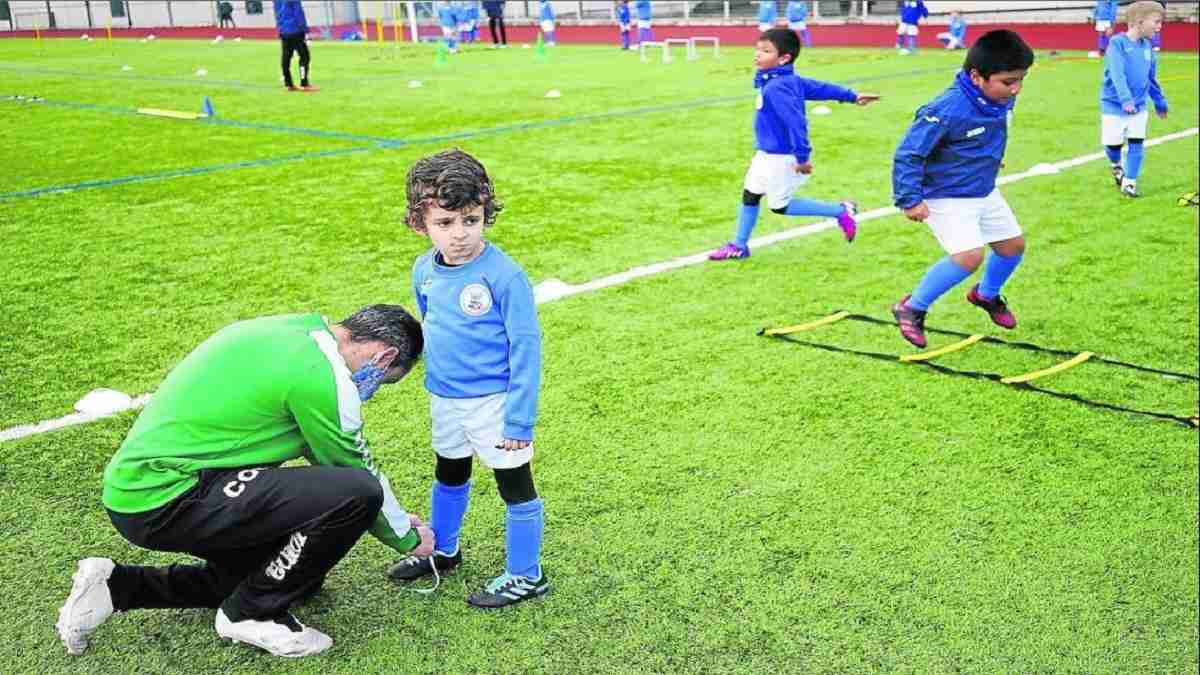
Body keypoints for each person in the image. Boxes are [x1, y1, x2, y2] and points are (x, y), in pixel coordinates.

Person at [55, 306, 436, 658]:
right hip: (170, 497)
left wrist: (397, 518)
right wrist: (406, 536)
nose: (370, 390)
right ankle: (252, 616)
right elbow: (353, 466)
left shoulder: (287, 329)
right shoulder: (324, 376)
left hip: (140, 492)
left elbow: (319, 454)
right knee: (358, 491)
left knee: (291, 577)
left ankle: (117, 586)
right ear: (384, 356)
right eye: (384, 381)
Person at [389, 150, 549, 609]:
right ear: (420, 222)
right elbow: (433, 324)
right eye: (445, 223)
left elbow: (526, 347)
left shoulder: (505, 276)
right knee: (450, 471)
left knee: (514, 485)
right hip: (445, 398)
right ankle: (444, 549)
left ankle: (527, 573)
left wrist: (519, 420)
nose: (459, 234)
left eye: (471, 220)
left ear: (486, 214)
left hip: (495, 404)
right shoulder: (424, 269)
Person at [890, 30, 1035, 349]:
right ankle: (911, 307)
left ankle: (985, 295)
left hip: (982, 188)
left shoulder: (998, 98)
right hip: (945, 195)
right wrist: (909, 199)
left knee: (1012, 246)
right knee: (969, 256)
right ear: (976, 76)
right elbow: (909, 153)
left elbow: (983, 133)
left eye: (1021, 79)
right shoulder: (945, 109)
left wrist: (990, 158)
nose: (1016, 89)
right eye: (1009, 81)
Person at [708, 28, 879, 261]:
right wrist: (851, 95)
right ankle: (739, 245)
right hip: (765, 154)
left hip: (781, 157)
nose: (757, 55)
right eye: (757, 49)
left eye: (765, 51)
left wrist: (802, 157)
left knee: (779, 206)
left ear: (784, 58)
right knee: (751, 194)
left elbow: (796, 123)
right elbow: (819, 87)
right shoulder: (782, 79)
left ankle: (841, 211)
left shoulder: (778, 86)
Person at [1101, 0, 1169, 198]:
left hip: (1138, 106)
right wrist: (1125, 99)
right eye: (1156, 21)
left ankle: (1129, 183)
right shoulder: (1117, 43)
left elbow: (1151, 78)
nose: (1159, 26)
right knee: (1112, 146)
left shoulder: (1147, 46)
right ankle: (1116, 165)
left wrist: (1159, 101)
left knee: (1137, 143)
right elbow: (1117, 73)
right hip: (1114, 105)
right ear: (1139, 21)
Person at [273, 0, 315, 92]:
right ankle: (304, 83)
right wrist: (304, 29)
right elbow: (298, 13)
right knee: (304, 57)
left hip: (284, 31)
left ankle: (288, 84)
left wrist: (280, 28)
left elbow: (277, 13)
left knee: (286, 57)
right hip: (295, 30)